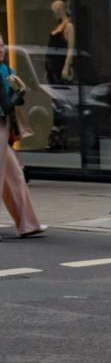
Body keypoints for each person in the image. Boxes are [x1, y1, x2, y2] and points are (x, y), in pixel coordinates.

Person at [0, 35, 45, 238]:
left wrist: (17, 93)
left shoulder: (5, 70)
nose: (1, 49)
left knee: (15, 176)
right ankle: (27, 223)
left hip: (4, 127)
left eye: (2, 45)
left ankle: (28, 223)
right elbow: (7, 105)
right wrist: (19, 94)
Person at [47, 0, 75, 84]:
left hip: (61, 66)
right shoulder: (58, 26)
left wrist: (66, 67)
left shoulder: (69, 26)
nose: (53, 15)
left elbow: (71, 48)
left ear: (59, 11)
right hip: (53, 67)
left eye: (54, 12)